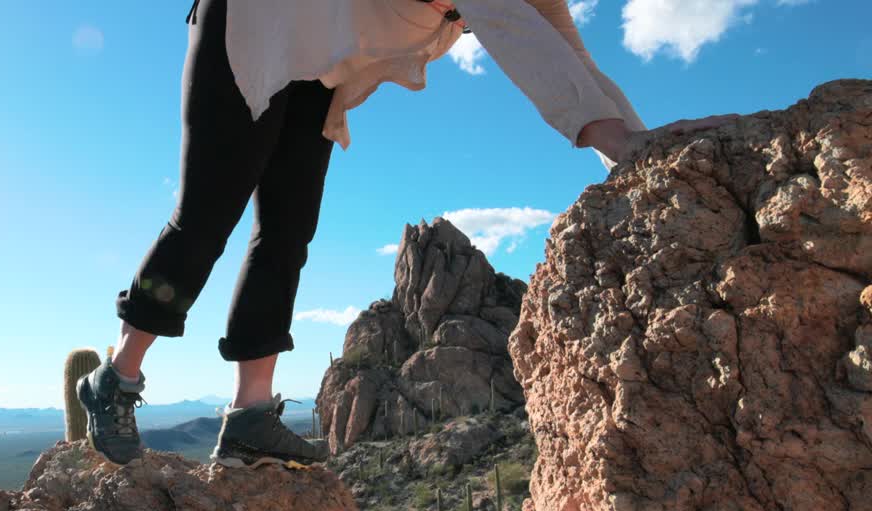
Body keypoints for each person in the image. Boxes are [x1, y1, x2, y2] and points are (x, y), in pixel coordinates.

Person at [76, 0, 737, 469]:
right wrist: (611, 139)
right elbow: (506, 25)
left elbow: (570, 56)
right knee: (207, 215)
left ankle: (249, 416)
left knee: (287, 231)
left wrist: (638, 146)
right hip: (250, 19)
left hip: (316, 68)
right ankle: (116, 377)